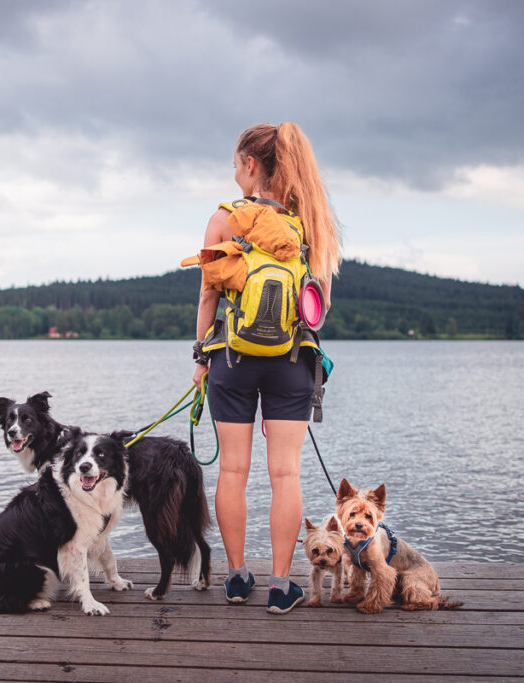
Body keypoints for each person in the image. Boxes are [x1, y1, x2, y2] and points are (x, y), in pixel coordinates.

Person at [192, 122, 341, 614]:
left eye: (236, 165)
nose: (234, 174)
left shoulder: (224, 219)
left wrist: (200, 359)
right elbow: (315, 303)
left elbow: (208, 295)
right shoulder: (309, 219)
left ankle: (236, 580)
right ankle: (281, 586)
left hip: (231, 361)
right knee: (286, 474)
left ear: (251, 165)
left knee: (233, 470)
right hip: (292, 361)